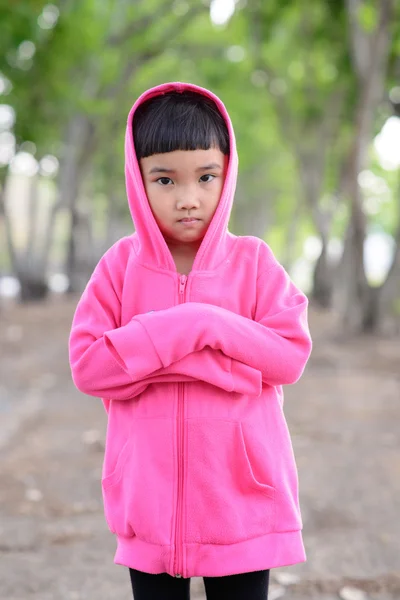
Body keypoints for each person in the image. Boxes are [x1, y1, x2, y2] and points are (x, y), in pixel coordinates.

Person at [68, 82, 312, 600]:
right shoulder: (118, 267)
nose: (188, 198)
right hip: (148, 510)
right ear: (138, 181)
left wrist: (206, 323)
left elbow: (288, 357)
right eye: (164, 179)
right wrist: (204, 342)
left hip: (243, 504)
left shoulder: (254, 262)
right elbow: (89, 368)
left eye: (206, 177)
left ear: (227, 173)